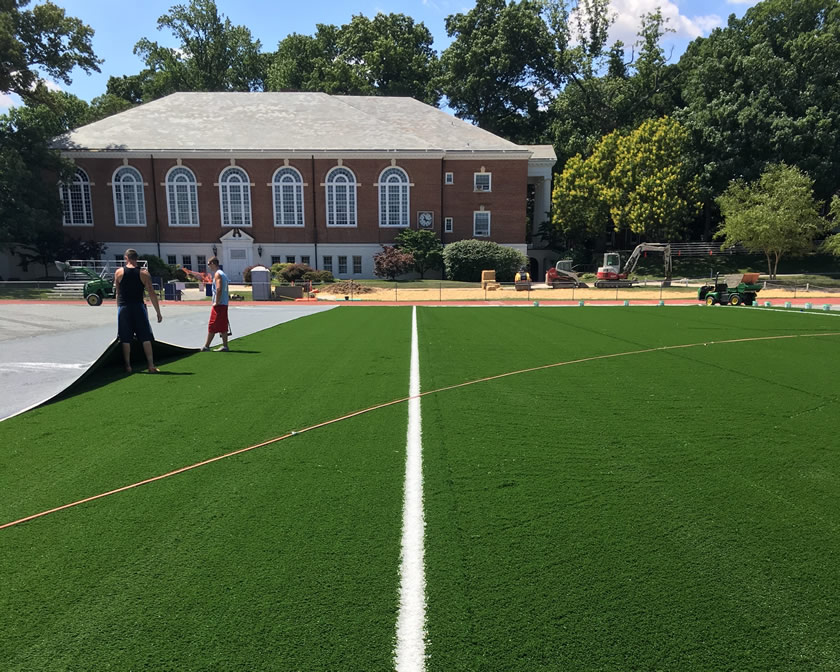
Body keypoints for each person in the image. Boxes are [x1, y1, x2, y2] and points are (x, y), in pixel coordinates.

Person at [114, 248, 163, 373]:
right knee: (145, 336)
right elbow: (152, 293)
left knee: (125, 338)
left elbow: (118, 293)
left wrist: (118, 308)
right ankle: (151, 365)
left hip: (124, 307)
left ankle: (128, 366)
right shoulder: (144, 273)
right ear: (137, 258)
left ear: (126, 258)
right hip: (138, 307)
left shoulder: (119, 272)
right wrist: (158, 312)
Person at [202, 256, 230, 352]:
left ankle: (206, 346)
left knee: (212, 324)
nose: (208, 266)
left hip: (220, 304)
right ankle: (225, 346)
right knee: (223, 325)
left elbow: (219, 289)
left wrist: (216, 302)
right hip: (224, 303)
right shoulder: (223, 274)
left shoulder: (218, 274)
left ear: (213, 263)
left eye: (209, 264)